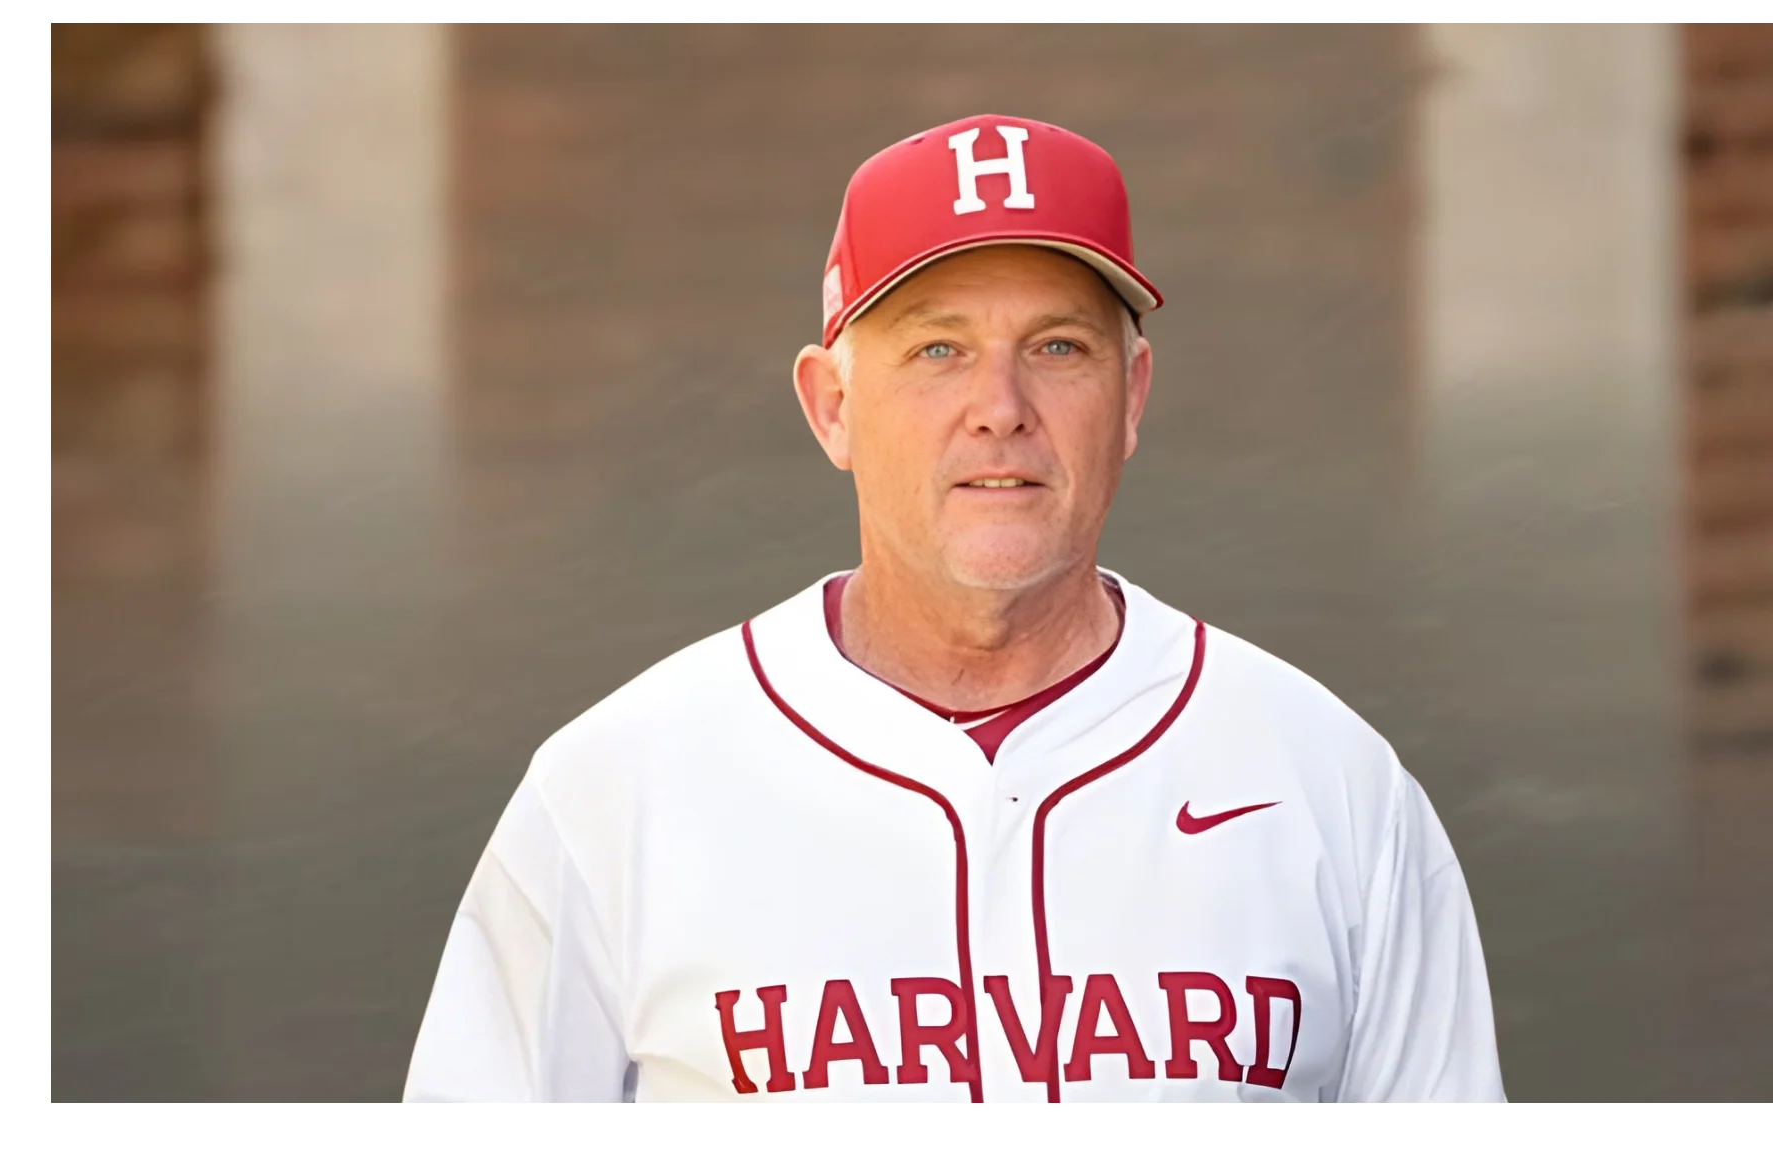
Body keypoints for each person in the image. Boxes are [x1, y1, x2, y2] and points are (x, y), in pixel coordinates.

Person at [403, 113, 1506, 1104]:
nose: (999, 410)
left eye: (1058, 348)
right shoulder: (617, 789)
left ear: (1132, 399)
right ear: (831, 407)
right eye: (938, 349)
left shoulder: (1328, 783)